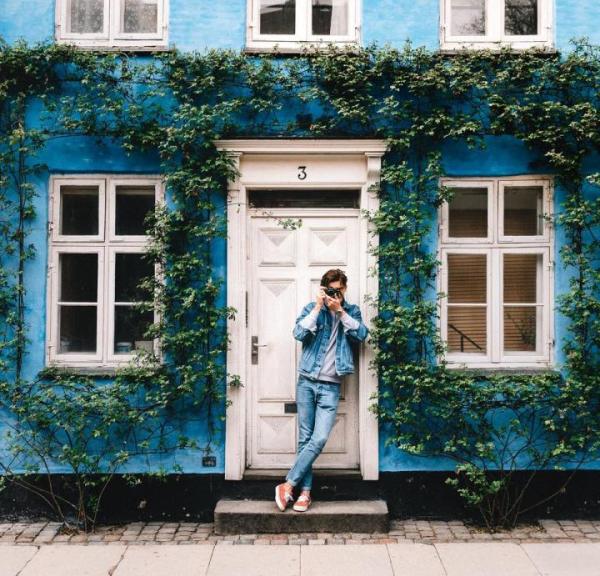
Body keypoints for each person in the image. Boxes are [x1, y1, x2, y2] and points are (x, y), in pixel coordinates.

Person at [275, 268, 369, 512]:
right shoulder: (311, 309)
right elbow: (298, 333)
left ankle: (288, 484)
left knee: (319, 438)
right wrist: (318, 308)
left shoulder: (352, 311)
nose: (333, 295)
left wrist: (341, 312)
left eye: (337, 290)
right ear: (323, 289)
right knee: (305, 439)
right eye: (330, 290)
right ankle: (304, 493)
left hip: (330, 386)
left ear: (344, 289)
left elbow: (361, 335)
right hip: (306, 381)